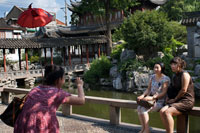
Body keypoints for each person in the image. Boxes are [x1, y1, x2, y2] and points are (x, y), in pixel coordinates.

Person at [14, 65, 85, 133]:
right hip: (40, 125)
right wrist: (79, 85)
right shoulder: (57, 93)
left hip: (23, 123)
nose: (64, 80)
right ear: (58, 80)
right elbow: (81, 101)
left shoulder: (35, 89)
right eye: (63, 78)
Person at [160, 57, 195, 133]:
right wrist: (168, 98)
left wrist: (174, 99)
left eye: (174, 64)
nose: (172, 66)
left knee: (167, 112)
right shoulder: (175, 76)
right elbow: (172, 89)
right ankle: (168, 131)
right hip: (178, 100)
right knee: (162, 111)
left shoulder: (184, 74)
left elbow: (183, 90)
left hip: (186, 101)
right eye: (171, 64)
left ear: (179, 65)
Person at [137, 63, 170, 133]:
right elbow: (148, 89)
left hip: (160, 101)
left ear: (162, 69)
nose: (155, 69)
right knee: (139, 108)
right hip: (151, 99)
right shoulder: (152, 77)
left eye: (157, 68)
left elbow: (164, 92)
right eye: (154, 67)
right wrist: (142, 95)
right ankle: (143, 128)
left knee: (143, 109)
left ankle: (147, 130)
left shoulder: (165, 79)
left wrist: (152, 98)